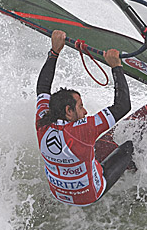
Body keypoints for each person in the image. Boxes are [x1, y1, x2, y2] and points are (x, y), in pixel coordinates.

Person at [35, 29, 135, 206]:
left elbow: (43, 88)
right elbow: (122, 106)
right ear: (68, 111)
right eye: (80, 107)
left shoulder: (43, 121)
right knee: (129, 147)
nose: (85, 112)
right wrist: (116, 66)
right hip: (89, 196)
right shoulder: (82, 130)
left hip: (59, 194)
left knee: (84, 150)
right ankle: (133, 181)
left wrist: (54, 52)